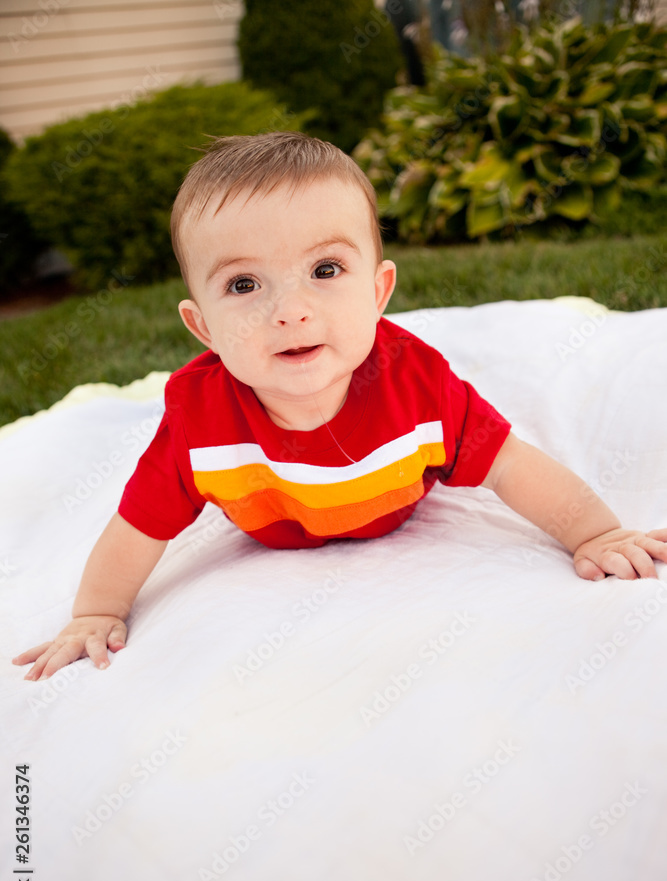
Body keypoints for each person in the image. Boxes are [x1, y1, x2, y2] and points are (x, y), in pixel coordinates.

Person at [14, 131, 667, 681]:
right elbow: (138, 525)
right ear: (204, 328)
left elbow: (509, 466)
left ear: (378, 292)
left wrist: (596, 533)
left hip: (397, 508)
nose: (290, 309)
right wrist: (96, 610)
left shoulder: (416, 385)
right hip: (273, 526)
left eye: (325, 271)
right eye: (243, 284)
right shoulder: (197, 419)